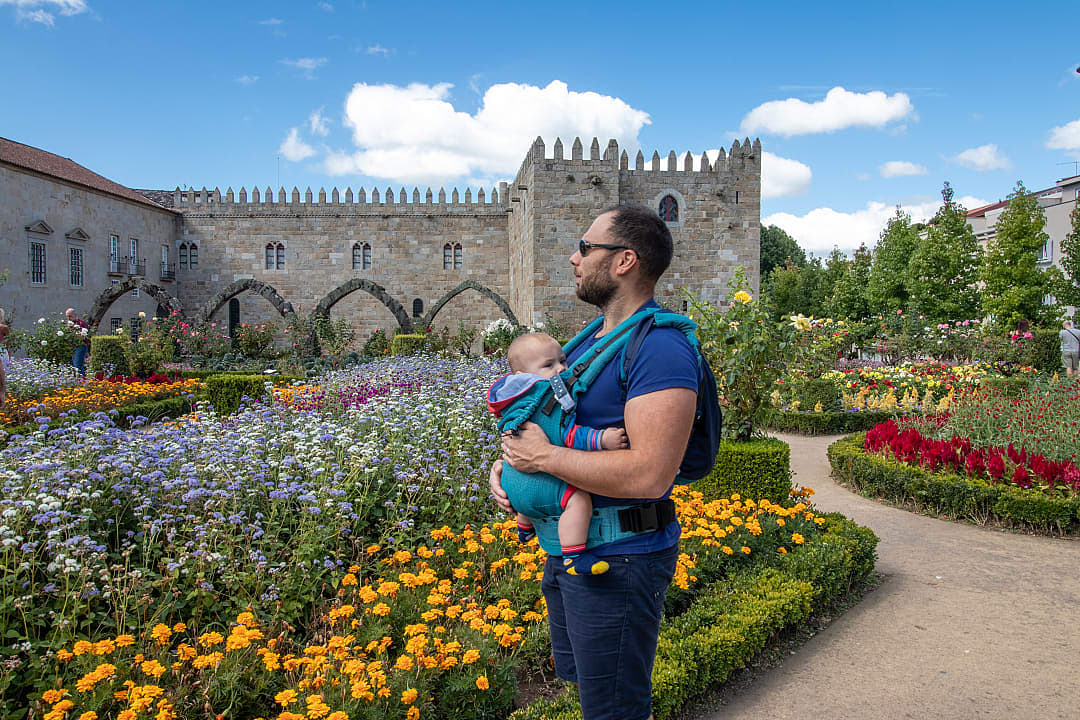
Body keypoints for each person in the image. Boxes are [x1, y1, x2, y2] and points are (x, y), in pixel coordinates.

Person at [490, 205, 698, 720]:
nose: (572, 258)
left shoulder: (662, 350)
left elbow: (651, 475)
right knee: (590, 692)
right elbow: (544, 425)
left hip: (621, 558)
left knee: (615, 711)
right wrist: (512, 467)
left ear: (625, 260)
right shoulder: (587, 342)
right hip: (571, 552)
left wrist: (546, 457)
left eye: (586, 248)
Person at [488, 331, 629, 576]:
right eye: (548, 365)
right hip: (539, 491)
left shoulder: (512, 402)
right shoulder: (547, 399)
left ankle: (524, 525)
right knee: (578, 499)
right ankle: (574, 556)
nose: (560, 369)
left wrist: (502, 466)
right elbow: (569, 436)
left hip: (513, 486)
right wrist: (604, 439)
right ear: (523, 376)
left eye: (562, 361)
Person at [65, 307, 91, 375]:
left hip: (81, 346)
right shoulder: (69, 325)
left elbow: (83, 337)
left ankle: (81, 381)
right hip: (72, 346)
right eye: (67, 316)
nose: (68, 318)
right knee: (74, 366)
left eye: (70, 316)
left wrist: (72, 333)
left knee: (78, 366)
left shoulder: (82, 323)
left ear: (75, 315)